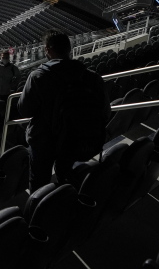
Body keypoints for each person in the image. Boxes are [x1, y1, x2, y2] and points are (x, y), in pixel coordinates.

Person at [18, 31, 110, 192]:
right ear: (69, 49)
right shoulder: (93, 78)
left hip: (44, 141)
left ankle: (39, 212)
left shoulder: (38, 77)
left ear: (48, 50)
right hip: (76, 139)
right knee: (67, 177)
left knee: (39, 182)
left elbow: (24, 110)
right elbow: (105, 112)